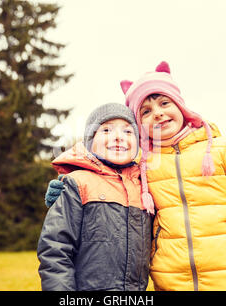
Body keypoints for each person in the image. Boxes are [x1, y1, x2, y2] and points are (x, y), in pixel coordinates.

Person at [46, 62, 226, 291]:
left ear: (180, 105)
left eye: (165, 103)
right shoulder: (141, 166)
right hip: (172, 283)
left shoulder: (225, 149)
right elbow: (107, 180)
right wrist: (66, 187)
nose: (158, 114)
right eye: (146, 111)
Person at [37, 103, 152, 291]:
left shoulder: (145, 188)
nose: (118, 137)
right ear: (90, 142)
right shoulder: (77, 183)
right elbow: (55, 249)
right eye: (106, 130)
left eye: (128, 132)